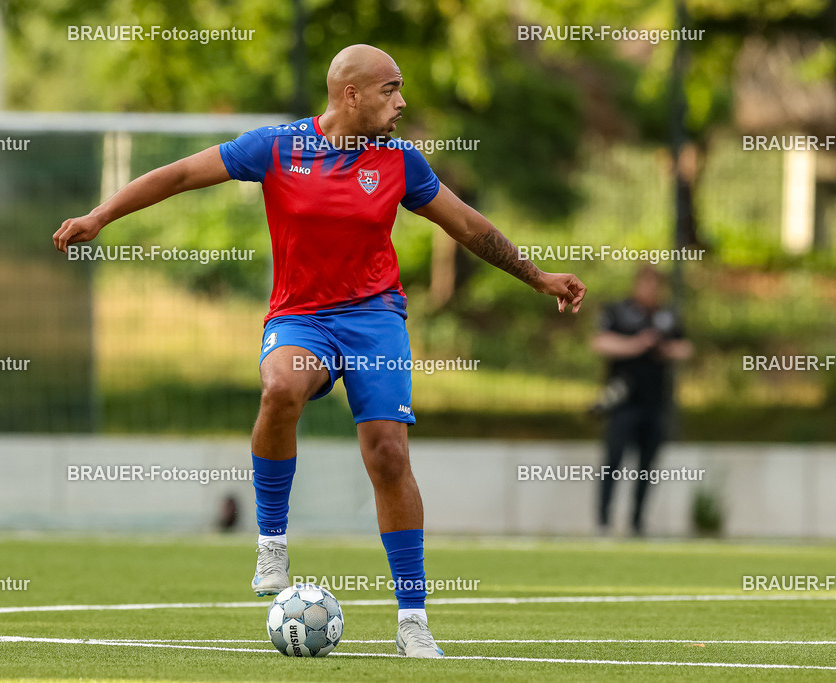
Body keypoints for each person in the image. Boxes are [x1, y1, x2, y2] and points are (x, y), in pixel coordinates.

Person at [54, 44, 586, 658]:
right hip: (301, 317)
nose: (401, 102)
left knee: (387, 454)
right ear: (350, 94)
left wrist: (538, 275)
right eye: (390, 89)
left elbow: (468, 226)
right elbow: (176, 175)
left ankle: (412, 621)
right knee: (281, 386)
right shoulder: (275, 148)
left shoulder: (400, 162)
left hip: (373, 318)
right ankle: (272, 548)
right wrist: (101, 215)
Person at [591, 265, 692, 537]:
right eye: (646, 284)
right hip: (623, 402)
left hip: (655, 402)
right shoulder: (617, 311)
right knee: (613, 461)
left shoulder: (666, 315)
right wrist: (636, 344)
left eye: (655, 285)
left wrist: (664, 349)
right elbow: (600, 342)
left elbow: (686, 347)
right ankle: (603, 521)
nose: (650, 291)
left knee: (647, 466)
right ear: (636, 285)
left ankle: (637, 522)